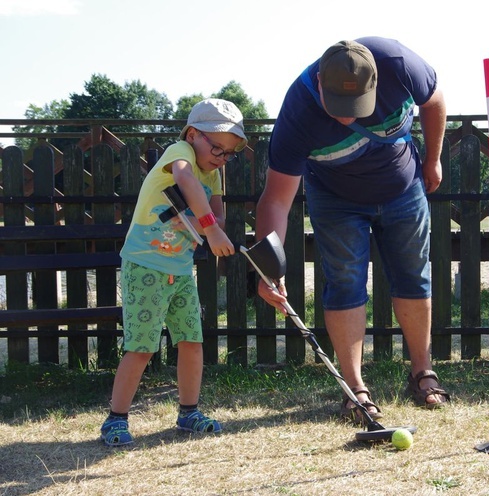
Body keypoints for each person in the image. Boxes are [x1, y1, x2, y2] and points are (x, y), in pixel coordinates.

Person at [255, 37, 450, 425]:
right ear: (320, 87)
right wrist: (267, 270)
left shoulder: (397, 62)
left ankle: (423, 372)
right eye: (338, 108)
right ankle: (355, 389)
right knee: (345, 282)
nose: (348, 118)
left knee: (414, 275)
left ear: (376, 83)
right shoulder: (298, 112)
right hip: (336, 199)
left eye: (357, 107)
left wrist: (433, 158)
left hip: (403, 186)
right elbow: (275, 200)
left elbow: (435, 100)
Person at [100, 98, 246, 446]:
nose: (221, 157)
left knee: (192, 341)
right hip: (145, 265)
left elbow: (218, 216)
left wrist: (205, 224)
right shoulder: (179, 152)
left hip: (180, 270)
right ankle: (115, 420)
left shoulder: (212, 173)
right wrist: (208, 229)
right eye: (217, 148)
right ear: (193, 134)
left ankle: (188, 413)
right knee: (141, 346)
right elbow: (183, 177)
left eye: (229, 153)